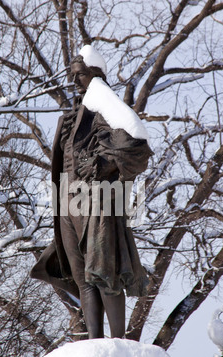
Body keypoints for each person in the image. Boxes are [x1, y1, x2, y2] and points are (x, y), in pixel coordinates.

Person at [31, 45, 153, 339]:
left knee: (104, 274)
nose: (75, 81)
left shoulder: (105, 110)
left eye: (81, 75)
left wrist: (102, 163)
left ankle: (117, 343)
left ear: (96, 75)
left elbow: (137, 146)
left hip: (94, 204)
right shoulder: (68, 119)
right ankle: (95, 344)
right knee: (82, 277)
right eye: (73, 75)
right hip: (67, 206)